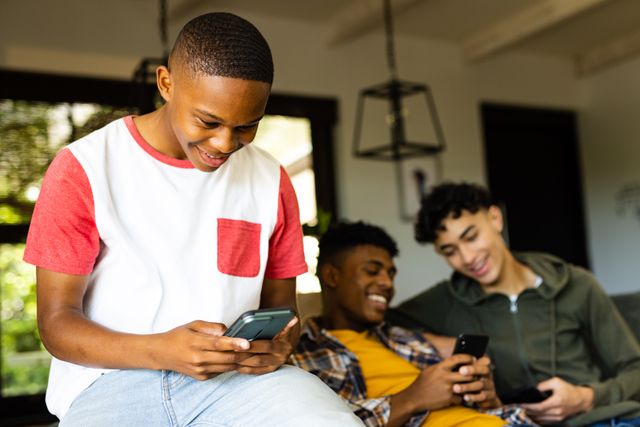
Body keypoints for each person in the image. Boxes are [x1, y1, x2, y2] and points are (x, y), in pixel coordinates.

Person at [23, 12, 363, 426]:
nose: (224, 144)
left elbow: (282, 311)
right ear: (166, 84)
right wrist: (164, 350)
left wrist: (279, 345)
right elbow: (57, 324)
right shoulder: (85, 167)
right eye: (209, 121)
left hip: (236, 383)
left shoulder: (270, 180)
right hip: (109, 384)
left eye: (246, 127)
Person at [387, 182, 640, 426]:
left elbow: (635, 368)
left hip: (609, 419)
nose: (468, 258)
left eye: (471, 236)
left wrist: (587, 398)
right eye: (450, 251)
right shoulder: (444, 301)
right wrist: (437, 341)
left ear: (495, 218)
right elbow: (370, 323)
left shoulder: (576, 284)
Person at [291, 221, 534, 427]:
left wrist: (487, 399)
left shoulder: (407, 338)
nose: (387, 283)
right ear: (332, 276)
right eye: (373, 271)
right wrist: (412, 398)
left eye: (391, 274)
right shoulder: (302, 356)